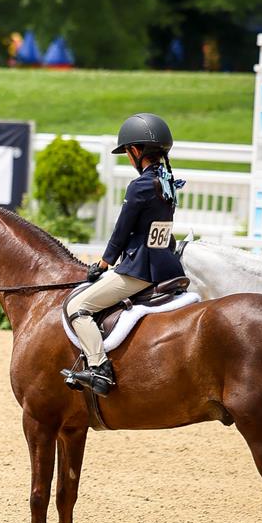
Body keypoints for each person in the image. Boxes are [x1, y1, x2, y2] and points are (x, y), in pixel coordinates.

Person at [60, 112, 185, 396]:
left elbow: (122, 229)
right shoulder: (168, 183)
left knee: (78, 307)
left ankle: (98, 368)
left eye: (128, 152)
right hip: (167, 265)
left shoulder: (141, 185)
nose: (128, 158)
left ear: (137, 150)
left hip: (140, 270)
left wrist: (103, 263)